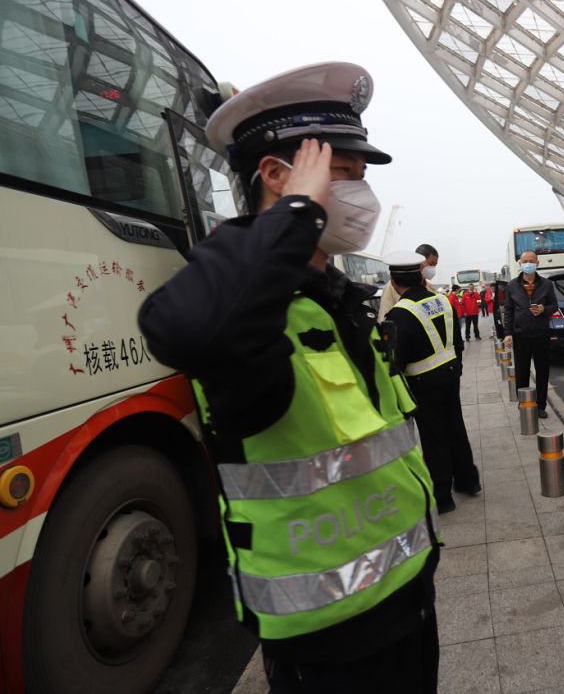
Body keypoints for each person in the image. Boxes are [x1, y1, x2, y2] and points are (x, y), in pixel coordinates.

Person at [137, 63, 441, 692]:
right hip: (327, 639)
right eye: (344, 177)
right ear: (278, 178)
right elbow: (183, 326)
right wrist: (298, 212)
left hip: (406, 599)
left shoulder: (339, 299)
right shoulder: (253, 313)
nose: (361, 198)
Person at [384, 252, 481, 514]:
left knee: (434, 436)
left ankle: (443, 496)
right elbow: (458, 341)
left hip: (423, 381)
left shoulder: (399, 315)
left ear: (393, 282)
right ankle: (468, 481)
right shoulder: (442, 300)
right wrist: (455, 367)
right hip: (450, 373)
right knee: (455, 427)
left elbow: (396, 361)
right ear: (420, 277)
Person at [502, 251, 558, 418]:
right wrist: (507, 333)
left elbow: (554, 306)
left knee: (542, 371)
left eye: (531, 261)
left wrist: (543, 309)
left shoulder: (547, 284)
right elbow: (508, 311)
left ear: (537, 263)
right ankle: (524, 403)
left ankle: (540, 405)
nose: (528, 263)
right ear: (519, 263)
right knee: (522, 371)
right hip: (521, 335)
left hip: (541, 334)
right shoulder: (512, 285)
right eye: (524, 261)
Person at [378, 243, 438, 321]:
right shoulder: (392, 287)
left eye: (435, 265)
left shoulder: (430, 287)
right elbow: (384, 318)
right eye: (431, 264)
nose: (433, 268)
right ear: (420, 263)